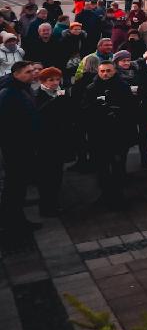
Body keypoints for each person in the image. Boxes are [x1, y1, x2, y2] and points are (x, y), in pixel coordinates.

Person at [82, 60, 137, 208]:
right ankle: (105, 195)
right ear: (98, 72)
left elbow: (131, 110)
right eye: (102, 71)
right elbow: (86, 111)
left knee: (118, 167)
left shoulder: (123, 87)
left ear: (114, 71)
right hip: (100, 135)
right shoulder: (91, 88)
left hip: (119, 134)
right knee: (102, 168)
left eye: (108, 71)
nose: (105, 74)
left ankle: (118, 196)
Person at [0, 62, 41, 239]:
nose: (33, 74)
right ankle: (11, 223)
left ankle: (18, 220)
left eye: (33, 71)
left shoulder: (23, 88)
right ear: (16, 74)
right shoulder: (8, 93)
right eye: (28, 72)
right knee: (14, 187)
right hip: (15, 148)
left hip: (25, 145)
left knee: (19, 186)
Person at [34, 67, 73, 217]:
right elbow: (40, 116)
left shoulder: (60, 93)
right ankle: (46, 207)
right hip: (45, 143)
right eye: (51, 80)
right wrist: (56, 101)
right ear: (42, 81)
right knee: (46, 176)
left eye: (57, 79)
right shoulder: (39, 95)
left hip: (59, 141)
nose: (55, 83)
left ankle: (54, 203)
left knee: (57, 174)